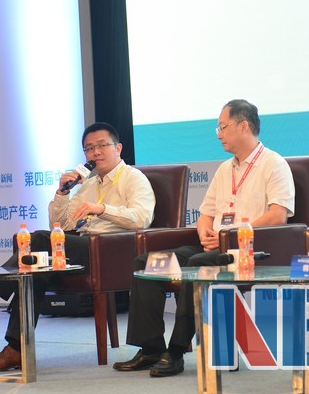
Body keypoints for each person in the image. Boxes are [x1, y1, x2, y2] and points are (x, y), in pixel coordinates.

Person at [113, 99, 295, 377]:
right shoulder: (224, 169)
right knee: (146, 263)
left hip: (249, 252)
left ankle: (176, 351)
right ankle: (151, 348)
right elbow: (205, 215)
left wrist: (231, 235)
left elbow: (277, 216)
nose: (219, 134)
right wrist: (205, 232)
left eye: (223, 127)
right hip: (213, 247)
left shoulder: (274, 164)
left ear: (244, 126)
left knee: (197, 264)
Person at [0, 122, 155, 372]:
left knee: (39, 240)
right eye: (89, 148)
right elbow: (61, 225)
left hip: (113, 251)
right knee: (34, 269)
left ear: (118, 148)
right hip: (81, 248)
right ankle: (16, 349)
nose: (95, 153)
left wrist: (102, 209)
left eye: (102, 145)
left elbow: (141, 218)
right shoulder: (88, 184)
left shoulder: (134, 178)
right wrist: (62, 193)